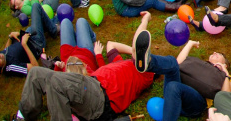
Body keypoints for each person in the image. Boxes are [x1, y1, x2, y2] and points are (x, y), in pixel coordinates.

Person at [17, 19, 155, 120]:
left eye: (143, 54)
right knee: (36, 73)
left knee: (54, 82)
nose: (139, 53)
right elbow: (113, 45)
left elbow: (165, 63)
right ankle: (23, 116)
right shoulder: (121, 61)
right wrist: (145, 19)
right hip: (88, 84)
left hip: (100, 99)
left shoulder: (145, 76)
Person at [0, 3, 58, 77]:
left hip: (27, 36)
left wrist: (10, 37)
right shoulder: (12, 67)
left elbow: (6, 50)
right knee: (36, 6)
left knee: (38, 20)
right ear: (1, 70)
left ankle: (52, 23)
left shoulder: (1, 56)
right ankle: (54, 30)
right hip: (36, 44)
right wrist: (24, 44)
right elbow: (35, 67)